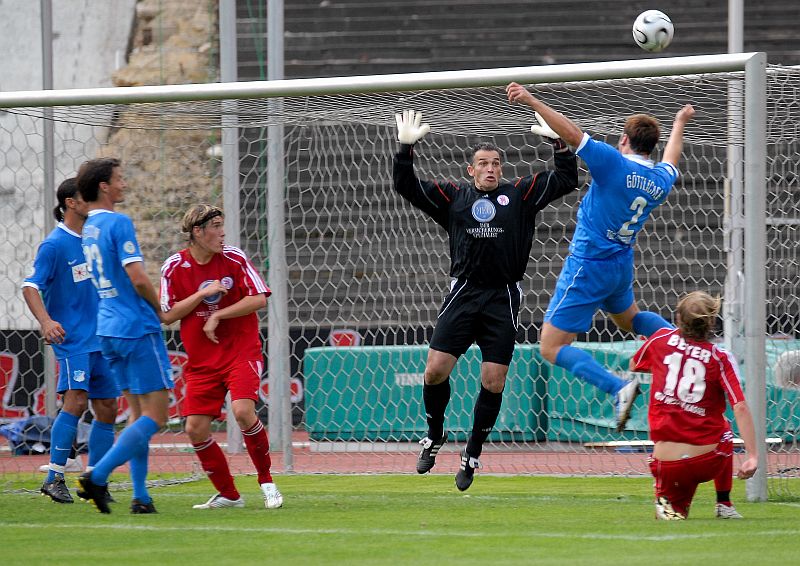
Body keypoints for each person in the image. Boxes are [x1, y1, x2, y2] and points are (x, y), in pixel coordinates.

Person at [392, 108, 578, 491]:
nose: (490, 168)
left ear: (501, 169)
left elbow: (567, 178)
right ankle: (435, 434)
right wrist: (405, 149)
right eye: (483, 163)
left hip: (502, 296)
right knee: (434, 370)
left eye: (495, 163)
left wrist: (559, 144)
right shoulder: (454, 198)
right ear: (471, 170)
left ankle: (472, 453)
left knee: (493, 380)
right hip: (464, 292)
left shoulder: (520, 194)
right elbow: (406, 185)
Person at [506, 82, 696, 431]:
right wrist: (679, 122)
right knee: (629, 320)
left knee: (550, 346)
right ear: (651, 146)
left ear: (624, 140)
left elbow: (573, 133)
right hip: (620, 264)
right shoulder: (659, 179)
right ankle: (684, 343)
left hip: (588, 264)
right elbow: (672, 159)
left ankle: (617, 387)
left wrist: (532, 100)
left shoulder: (612, 164)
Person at [159, 204, 282, 510]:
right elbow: (167, 315)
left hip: (240, 350)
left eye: (222, 225)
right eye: (215, 226)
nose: (222, 233)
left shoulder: (234, 258)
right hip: (202, 361)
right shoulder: (174, 266)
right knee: (195, 428)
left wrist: (218, 315)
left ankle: (267, 482)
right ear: (197, 232)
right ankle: (229, 494)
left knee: (242, 411)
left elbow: (258, 299)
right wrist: (202, 295)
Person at [75, 158, 174, 514]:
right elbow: (138, 277)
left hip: (107, 327)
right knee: (157, 416)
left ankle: (141, 497)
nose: (125, 184)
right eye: (120, 179)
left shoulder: (89, 227)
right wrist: (160, 310)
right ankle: (97, 476)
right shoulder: (118, 222)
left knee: (137, 414)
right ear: (104, 185)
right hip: (135, 327)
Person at [22, 178, 119, 504]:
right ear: (70, 203)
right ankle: (54, 478)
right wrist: (46, 321)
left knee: (107, 407)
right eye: (86, 196)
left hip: (103, 336)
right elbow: (30, 287)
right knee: (76, 401)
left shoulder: (96, 239)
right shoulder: (54, 245)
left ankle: (96, 482)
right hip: (74, 338)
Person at [630, 291, 758, 519]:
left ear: (678, 318)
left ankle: (666, 499)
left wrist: (665, 367)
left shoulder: (659, 339)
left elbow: (634, 365)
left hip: (664, 464)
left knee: (672, 517)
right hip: (704, 461)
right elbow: (739, 406)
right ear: (712, 322)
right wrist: (753, 456)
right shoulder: (719, 357)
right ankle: (724, 503)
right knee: (725, 428)